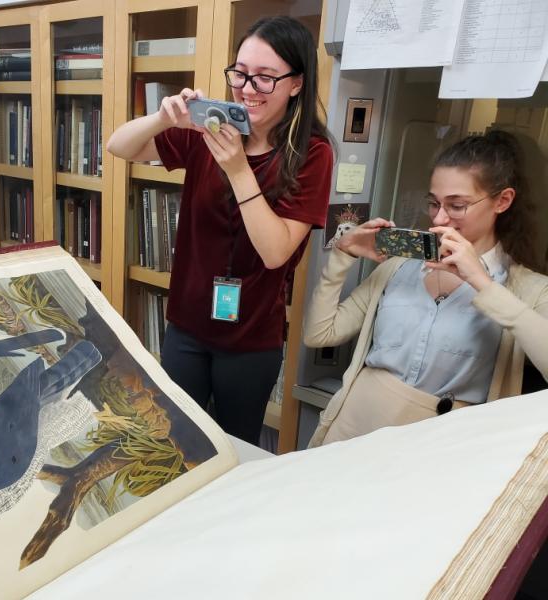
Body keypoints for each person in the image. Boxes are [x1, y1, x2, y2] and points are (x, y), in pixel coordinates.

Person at [106, 16, 333, 444]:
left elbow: (275, 252)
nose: (247, 88)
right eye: (240, 73)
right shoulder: (208, 127)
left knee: (235, 448)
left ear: (296, 83)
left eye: (265, 78)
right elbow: (119, 146)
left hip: (250, 340)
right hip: (187, 327)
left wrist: (237, 168)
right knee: (177, 442)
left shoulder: (312, 154)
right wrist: (163, 118)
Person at [304, 130, 548, 447]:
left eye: (457, 205)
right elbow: (319, 334)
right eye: (434, 203)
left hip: (438, 448)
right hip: (352, 427)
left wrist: (482, 283)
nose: (440, 217)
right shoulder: (398, 266)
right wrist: (342, 256)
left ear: (503, 200)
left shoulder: (528, 288)